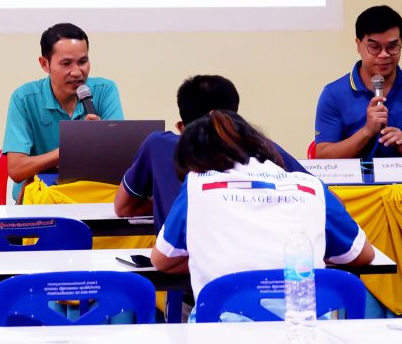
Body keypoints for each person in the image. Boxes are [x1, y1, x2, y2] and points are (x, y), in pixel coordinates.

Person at [151, 110, 374, 304]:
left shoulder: (198, 184)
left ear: (194, 160)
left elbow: (162, 260)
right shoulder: (310, 186)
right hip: (301, 324)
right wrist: (308, 253)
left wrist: (208, 255)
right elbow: (362, 254)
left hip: (222, 326)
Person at [116, 74, 336, 235]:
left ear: (181, 127)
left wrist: (165, 198)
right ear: (234, 119)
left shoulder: (157, 145)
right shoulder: (264, 148)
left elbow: (124, 207)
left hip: (183, 273)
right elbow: (328, 202)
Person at [2, 22, 124, 201]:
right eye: (66, 63)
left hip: (92, 195)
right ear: (44, 64)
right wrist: (72, 147)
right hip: (42, 200)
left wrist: (101, 141)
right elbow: (17, 170)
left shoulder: (105, 91)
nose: (77, 72)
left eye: (83, 62)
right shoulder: (23, 99)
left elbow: (120, 160)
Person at [313, 5, 402, 159]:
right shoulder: (333, 94)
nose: (384, 55)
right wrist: (367, 131)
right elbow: (323, 156)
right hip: (354, 176)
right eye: (374, 47)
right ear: (358, 44)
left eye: (392, 46)